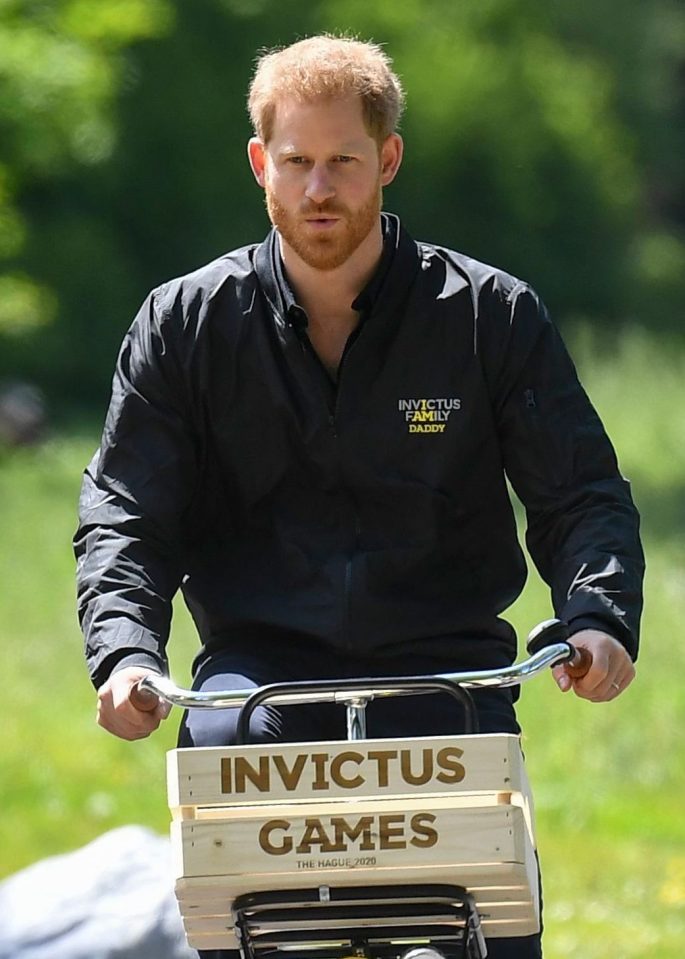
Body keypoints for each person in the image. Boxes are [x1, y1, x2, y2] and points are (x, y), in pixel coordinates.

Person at [75, 35, 644, 959]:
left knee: (491, 930)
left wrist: (598, 613)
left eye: (342, 160)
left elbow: (578, 489)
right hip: (255, 687)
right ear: (261, 163)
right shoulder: (183, 324)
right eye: (295, 161)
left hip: (449, 683)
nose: (318, 189)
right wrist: (125, 650)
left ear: (387, 158)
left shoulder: (488, 315)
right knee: (234, 917)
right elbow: (126, 511)